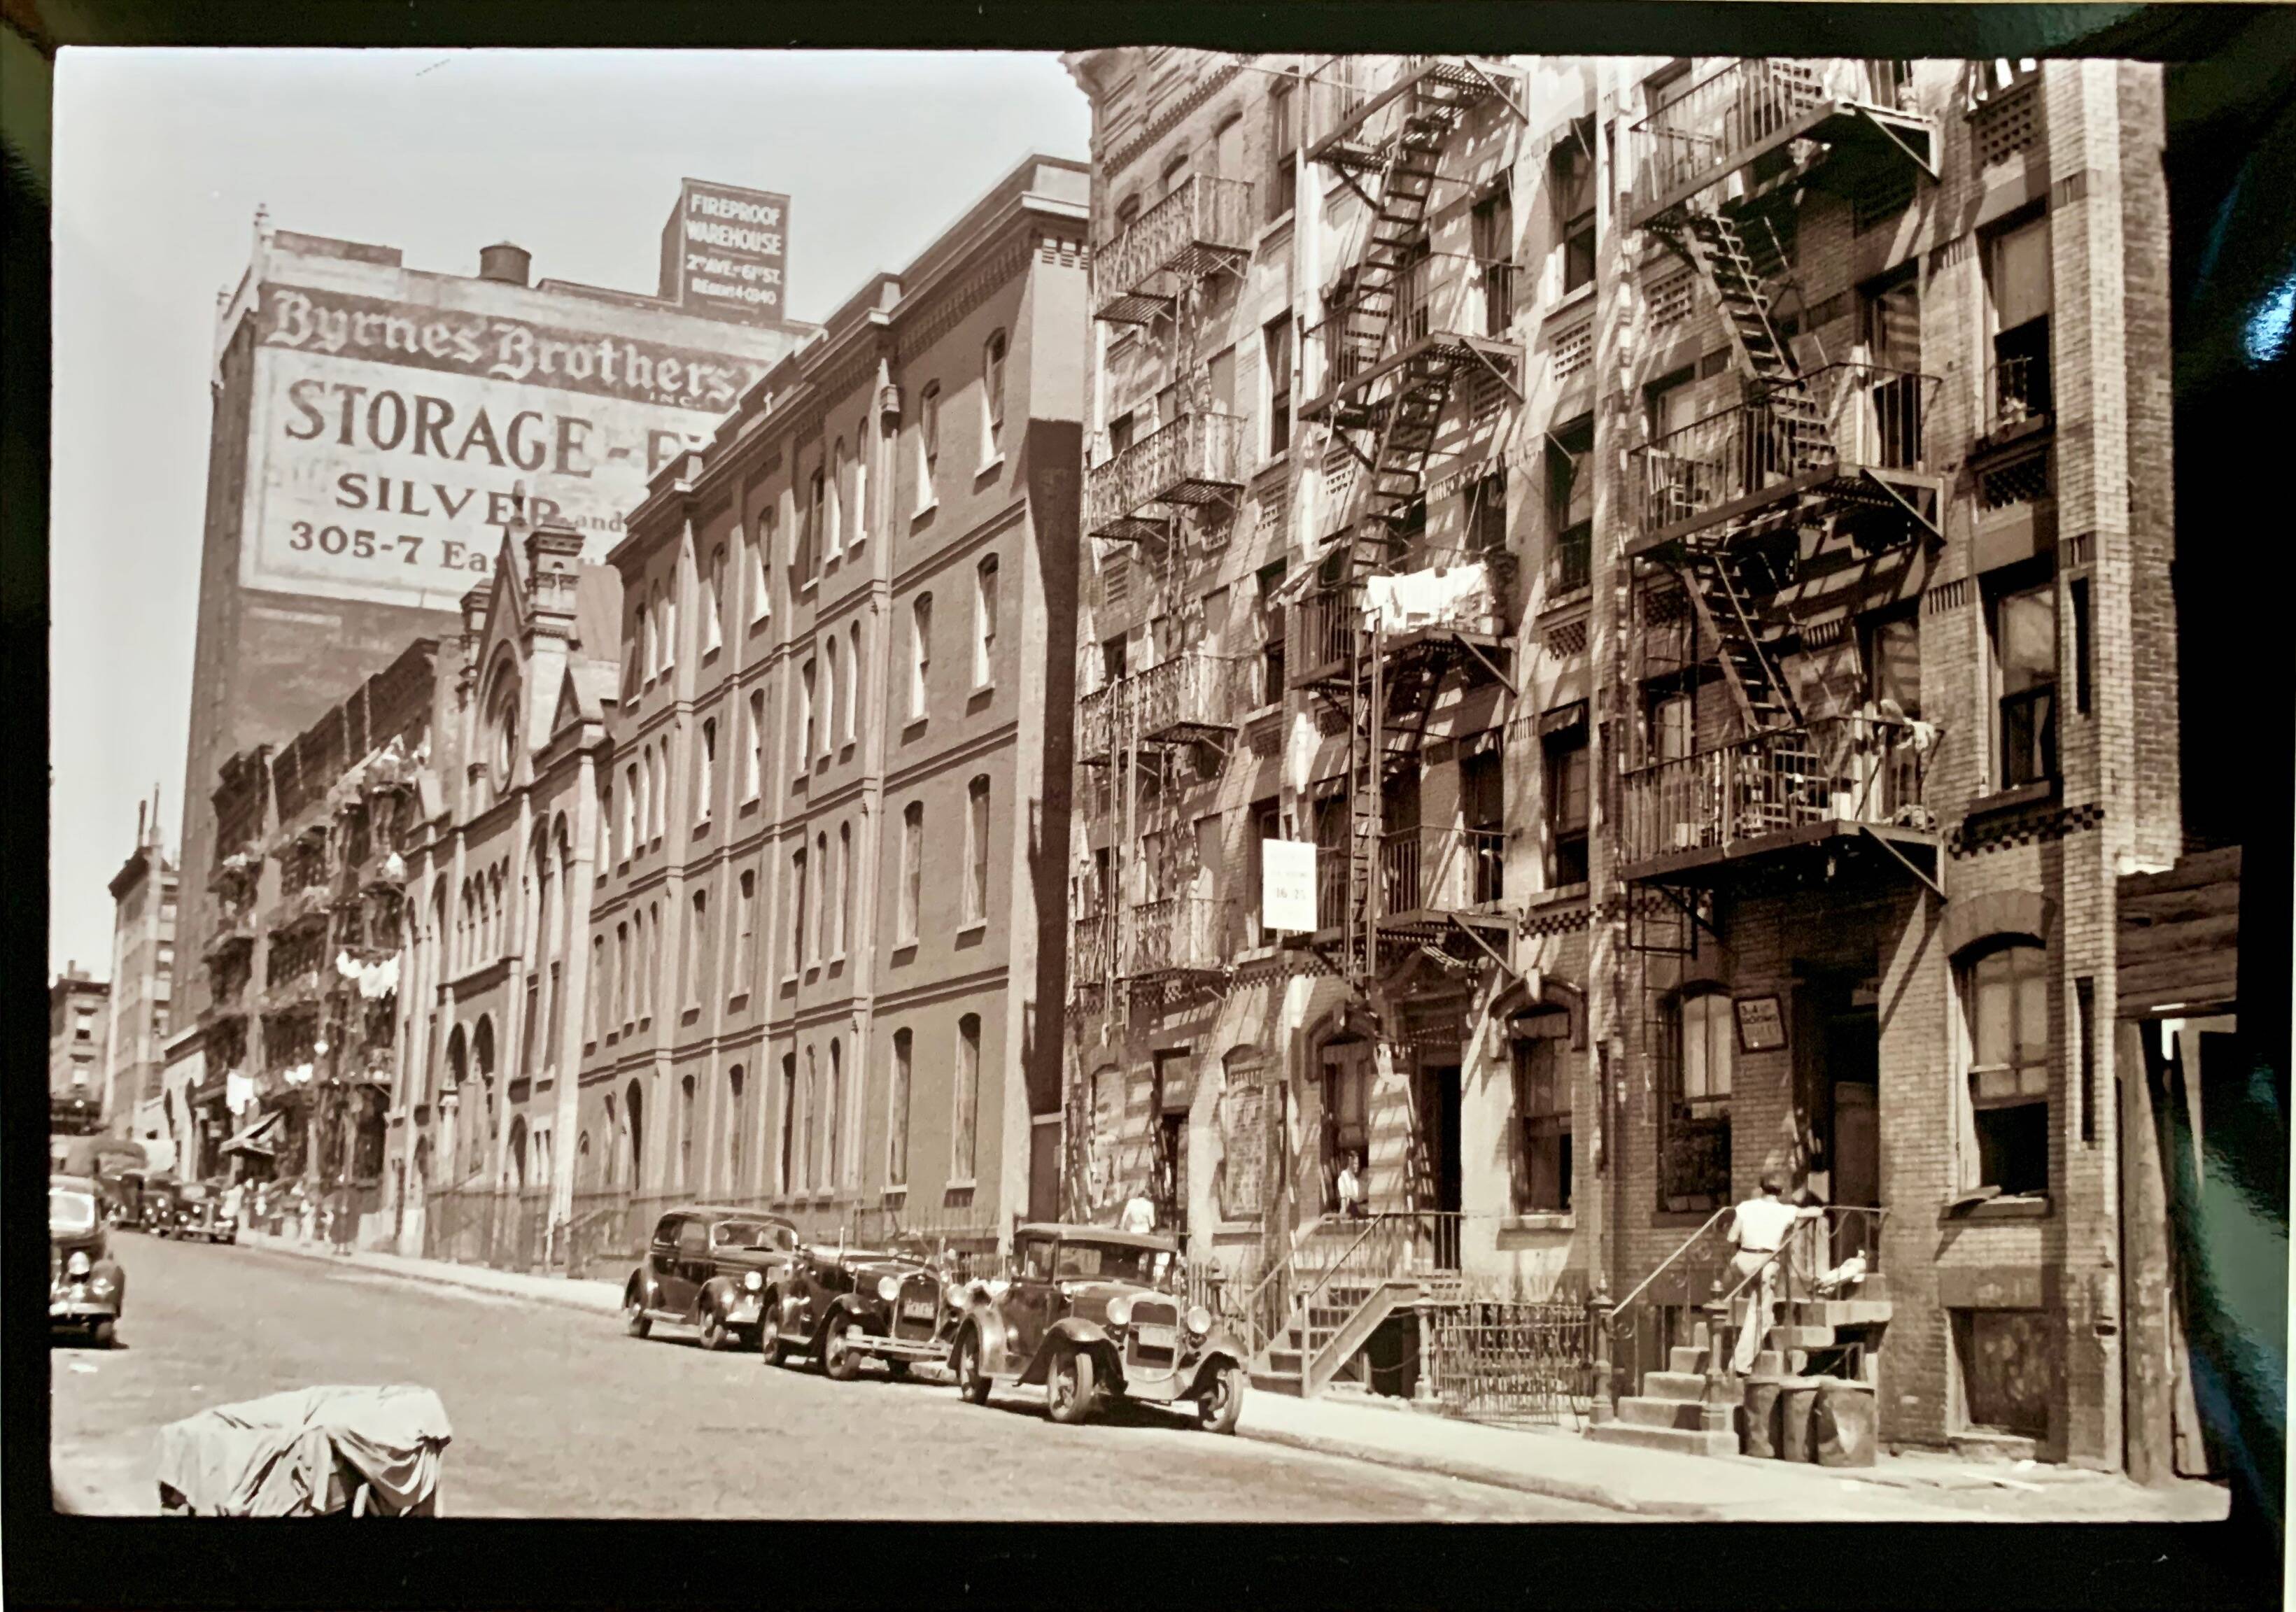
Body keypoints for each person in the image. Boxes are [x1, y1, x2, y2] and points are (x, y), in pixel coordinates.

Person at [1727, 1170, 1822, 1375]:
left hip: (1742, 1261)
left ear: (1761, 1189)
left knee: (1760, 1308)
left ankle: (1748, 1339)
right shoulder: (1786, 1211)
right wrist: (1818, 1208)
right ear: (1782, 1191)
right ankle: (1740, 1364)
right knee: (1759, 1313)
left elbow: (1731, 1237)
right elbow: (1815, 1213)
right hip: (1765, 1263)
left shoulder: (1745, 1207)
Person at [1336, 1152, 1368, 1219]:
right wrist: (1342, 1215)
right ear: (1350, 1161)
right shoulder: (1345, 1177)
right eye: (1355, 1164)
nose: (1357, 1166)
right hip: (1355, 1210)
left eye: (1358, 1164)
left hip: (1365, 1209)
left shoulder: (1360, 1175)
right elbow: (1345, 1200)